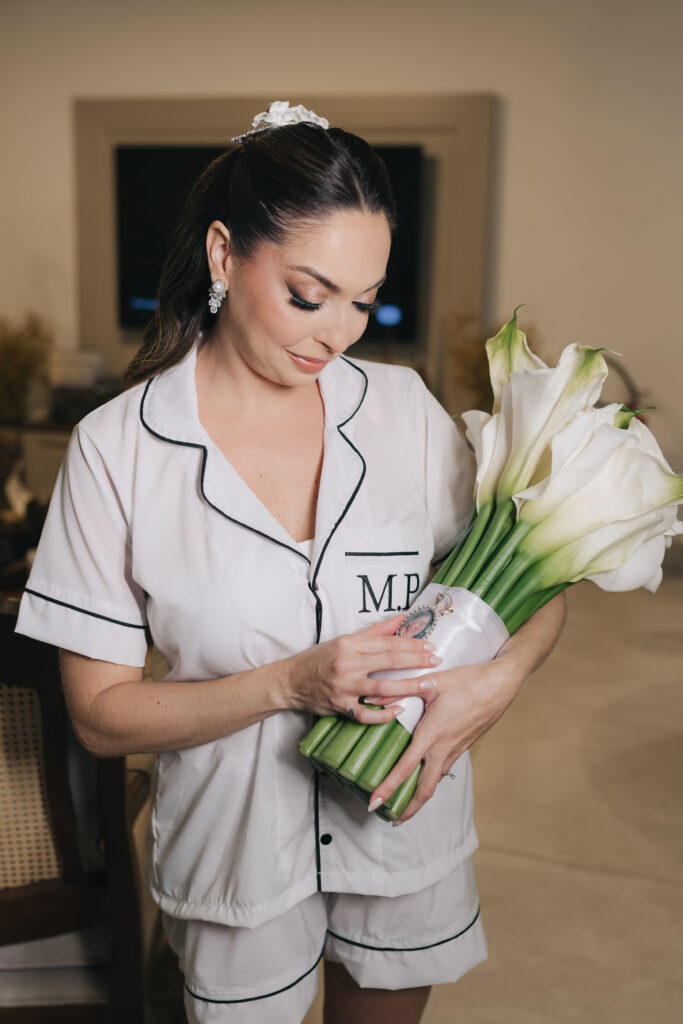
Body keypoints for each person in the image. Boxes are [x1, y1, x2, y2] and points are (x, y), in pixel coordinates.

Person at [16, 101, 566, 1024]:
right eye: (309, 296)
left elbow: (532, 583)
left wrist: (500, 679)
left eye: (364, 301)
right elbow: (102, 717)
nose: (337, 334)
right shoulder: (119, 449)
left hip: (403, 829)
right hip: (237, 855)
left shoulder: (403, 412)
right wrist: (290, 683)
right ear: (224, 255)